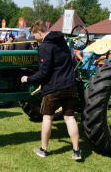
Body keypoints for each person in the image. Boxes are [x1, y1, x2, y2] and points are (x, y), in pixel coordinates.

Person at [20, 20, 81, 159]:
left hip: (54, 87)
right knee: (70, 117)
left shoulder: (45, 47)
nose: (34, 39)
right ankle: (76, 151)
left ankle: (43, 149)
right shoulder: (62, 42)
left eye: (34, 35)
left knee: (47, 117)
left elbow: (44, 73)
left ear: (39, 32)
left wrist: (28, 79)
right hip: (69, 85)